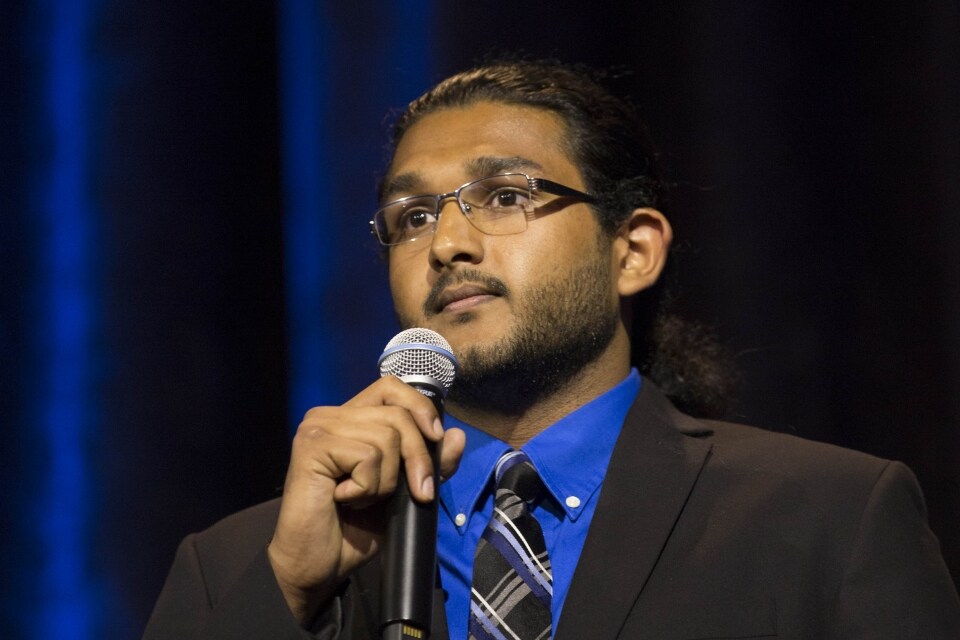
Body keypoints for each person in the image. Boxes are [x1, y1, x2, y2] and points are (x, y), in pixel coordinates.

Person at [143, 60, 960, 639]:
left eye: (505, 195)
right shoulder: (242, 565)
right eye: (414, 217)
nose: (448, 244)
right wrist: (289, 588)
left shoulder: (827, 520)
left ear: (632, 251)